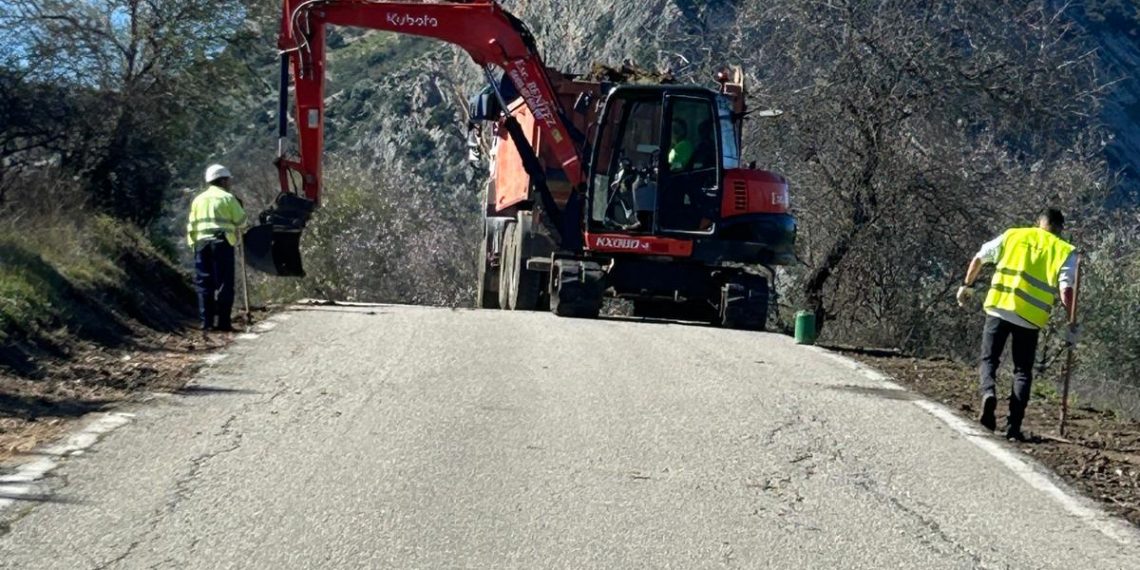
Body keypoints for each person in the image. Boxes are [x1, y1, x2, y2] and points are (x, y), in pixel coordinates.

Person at [957, 208, 1077, 441]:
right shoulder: (1064, 251)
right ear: (1060, 229)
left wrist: (967, 285)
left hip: (999, 307)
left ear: (1038, 222)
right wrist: (1072, 318)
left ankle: (988, 392)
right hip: (1029, 319)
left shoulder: (1013, 235)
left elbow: (979, 257)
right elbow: (1066, 291)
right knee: (1022, 371)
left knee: (989, 359)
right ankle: (1013, 427)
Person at [187, 164, 247, 333]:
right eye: (228, 180)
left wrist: (193, 244)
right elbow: (242, 222)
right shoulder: (228, 198)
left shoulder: (198, 200)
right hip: (221, 243)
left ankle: (206, 323)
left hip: (201, 244)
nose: (230, 183)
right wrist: (240, 208)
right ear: (223, 180)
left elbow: (191, 224)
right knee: (224, 283)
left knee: (204, 284)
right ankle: (224, 323)